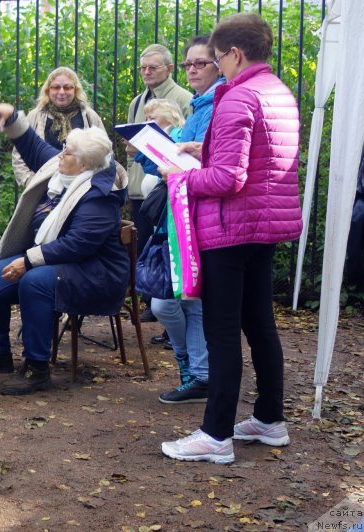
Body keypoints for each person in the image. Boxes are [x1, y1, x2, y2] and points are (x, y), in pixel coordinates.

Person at [159, 13, 302, 464]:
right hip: (263, 228)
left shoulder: (238, 98)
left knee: (222, 332)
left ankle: (215, 434)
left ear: (235, 54)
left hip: (230, 230)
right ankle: (269, 419)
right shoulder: (277, 92)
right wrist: (202, 150)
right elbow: (256, 157)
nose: (216, 66)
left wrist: (178, 178)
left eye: (217, 58)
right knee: (260, 325)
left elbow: (227, 178)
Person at [0, 104, 129, 396]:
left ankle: (37, 368)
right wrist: (11, 118)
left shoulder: (100, 195)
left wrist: (28, 260)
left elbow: (79, 245)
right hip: (60, 263)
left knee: (35, 282)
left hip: (94, 273)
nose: (60, 153)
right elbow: (34, 147)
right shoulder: (66, 169)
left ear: (86, 164)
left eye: (67, 151)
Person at [150, 35, 225, 405]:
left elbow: (215, 165)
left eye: (201, 63)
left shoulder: (218, 105)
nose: (192, 69)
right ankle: (195, 371)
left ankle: (200, 374)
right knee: (176, 302)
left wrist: (178, 155)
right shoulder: (202, 105)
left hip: (199, 214)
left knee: (183, 302)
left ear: (221, 63)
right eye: (188, 64)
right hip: (183, 213)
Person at [126, 44, 193, 322]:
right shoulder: (137, 101)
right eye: (143, 68)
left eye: (153, 67)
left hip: (168, 185)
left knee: (168, 249)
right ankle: (151, 299)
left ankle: (168, 306)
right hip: (139, 184)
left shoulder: (185, 98)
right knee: (144, 247)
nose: (147, 72)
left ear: (169, 68)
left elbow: (185, 144)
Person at [11, 67, 106, 187]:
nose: (61, 92)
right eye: (56, 87)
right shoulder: (35, 116)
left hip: (82, 188)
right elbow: (19, 155)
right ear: (48, 90)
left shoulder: (89, 116)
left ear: (75, 90)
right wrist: (31, 182)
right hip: (42, 187)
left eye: (67, 87)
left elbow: (104, 153)